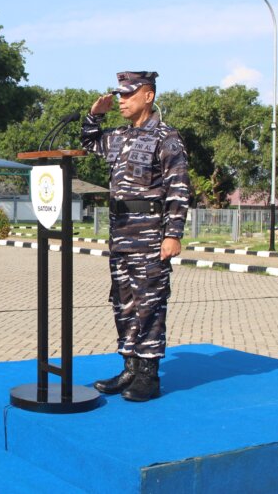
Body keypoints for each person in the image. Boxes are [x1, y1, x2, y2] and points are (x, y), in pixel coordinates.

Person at [79, 71, 190, 402]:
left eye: (128, 95)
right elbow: (89, 142)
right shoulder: (118, 136)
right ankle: (129, 366)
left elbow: (179, 189)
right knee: (123, 301)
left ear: (148, 96)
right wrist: (94, 116)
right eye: (119, 96)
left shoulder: (166, 138)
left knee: (150, 303)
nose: (121, 101)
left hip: (150, 234)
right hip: (121, 232)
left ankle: (148, 375)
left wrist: (173, 235)